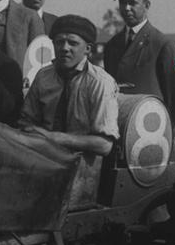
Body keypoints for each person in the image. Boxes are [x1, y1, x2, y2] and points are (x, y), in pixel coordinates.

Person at [18, 14, 119, 160]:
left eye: (73, 43)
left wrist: (55, 138)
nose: (65, 48)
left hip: (82, 166)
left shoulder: (100, 82)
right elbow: (25, 122)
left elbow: (104, 145)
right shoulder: (43, 76)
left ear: (88, 49)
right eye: (59, 42)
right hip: (42, 159)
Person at [103, 0, 175, 123]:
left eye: (132, 3)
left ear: (147, 6)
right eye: (123, 3)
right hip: (117, 125)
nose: (127, 8)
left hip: (151, 126)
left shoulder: (162, 44)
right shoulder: (112, 45)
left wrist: (163, 127)